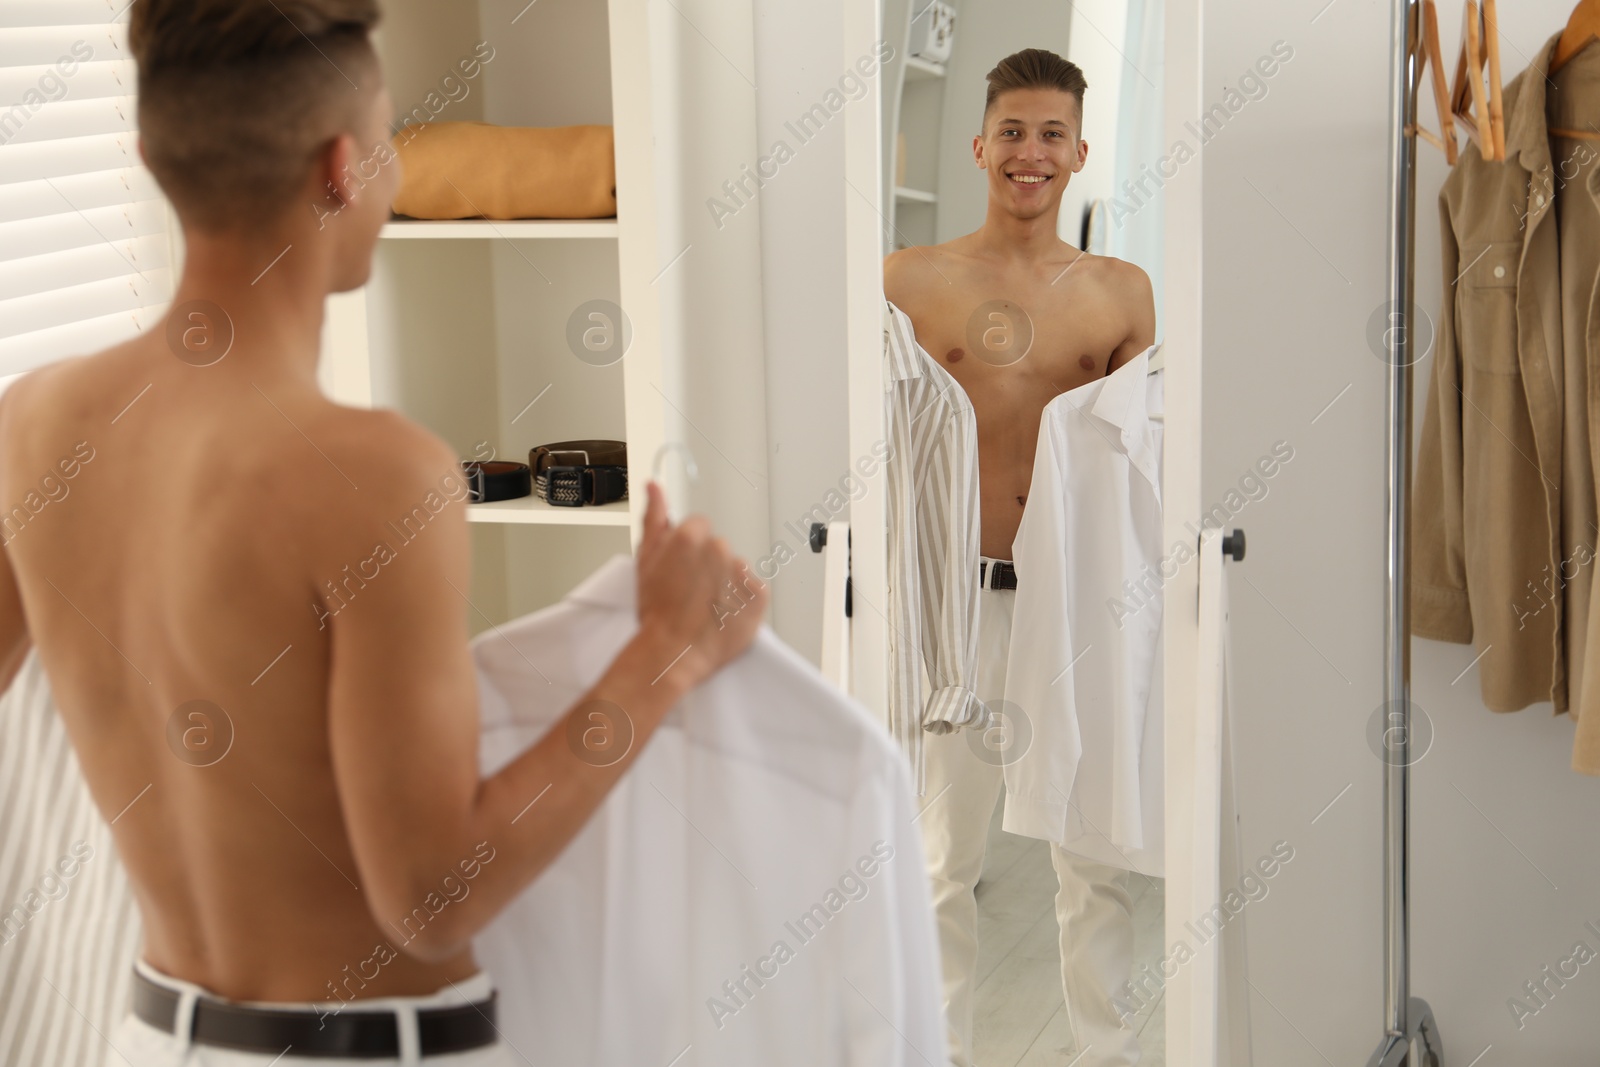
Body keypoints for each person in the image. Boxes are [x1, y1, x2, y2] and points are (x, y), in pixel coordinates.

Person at [0, 1, 767, 1063]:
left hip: (148, 1036)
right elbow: (433, 896)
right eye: (393, 142)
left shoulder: (30, 425)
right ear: (340, 169)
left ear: (151, 160)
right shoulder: (371, 474)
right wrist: (662, 656)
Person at [883, 47, 1157, 1067]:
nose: (1029, 153)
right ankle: (938, 1050)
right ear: (978, 144)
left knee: (1093, 854)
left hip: (1076, 600)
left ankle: (1107, 1053)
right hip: (954, 595)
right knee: (940, 855)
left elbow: (1138, 470)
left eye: (1050, 134)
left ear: (1080, 151)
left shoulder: (1122, 294)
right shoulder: (908, 281)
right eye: (1012, 132)